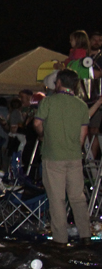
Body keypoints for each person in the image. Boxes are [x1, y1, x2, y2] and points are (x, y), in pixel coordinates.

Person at [34, 69, 92, 245]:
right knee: (77, 197)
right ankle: (86, 234)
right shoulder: (81, 105)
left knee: (57, 198)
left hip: (53, 156)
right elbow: (83, 135)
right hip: (74, 156)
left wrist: (42, 135)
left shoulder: (48, 102)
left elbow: (37, 123)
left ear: (58, 82)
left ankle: (60, 239)